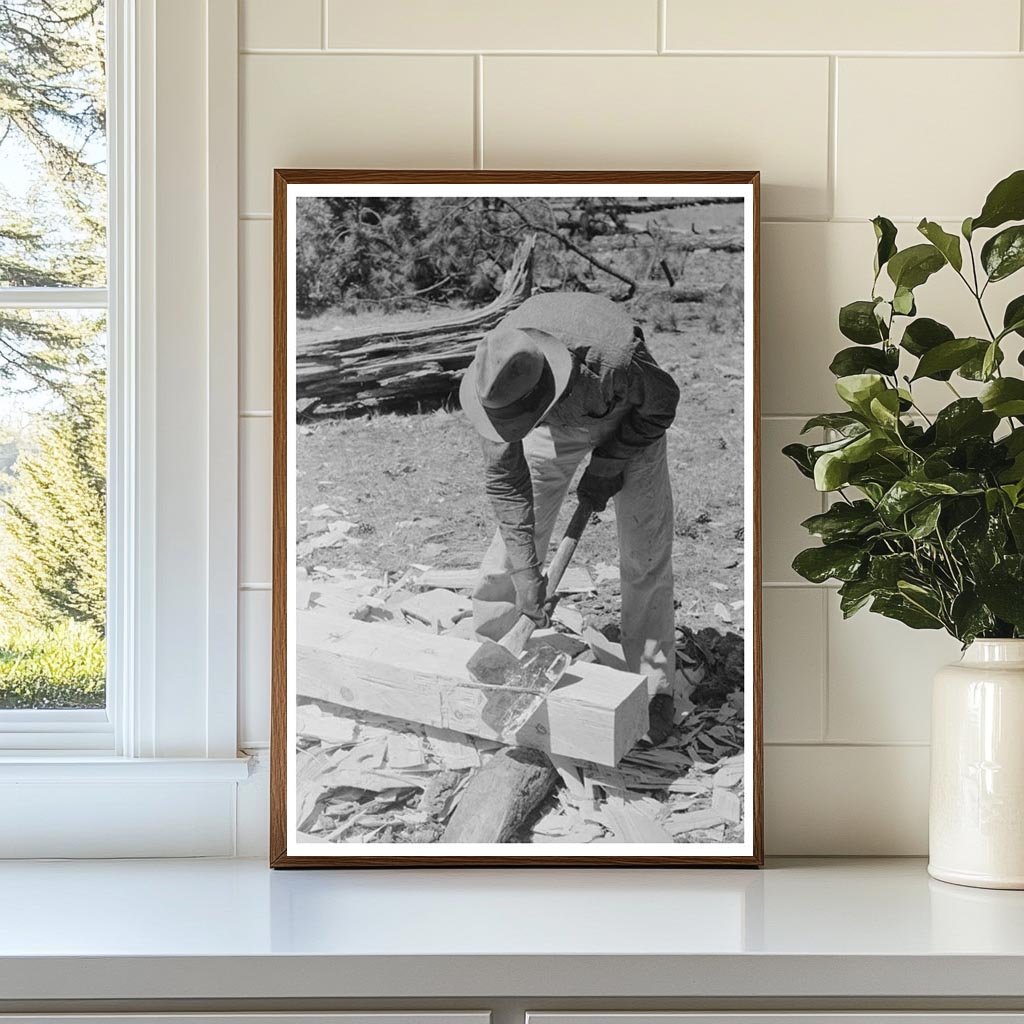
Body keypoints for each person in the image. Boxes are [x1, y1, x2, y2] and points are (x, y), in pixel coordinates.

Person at [459, 291, 681, 743]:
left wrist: (610, 460)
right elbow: (506, 484)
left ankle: (653, 684)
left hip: (628, 417)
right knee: (514, 546)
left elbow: (662, 403)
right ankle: (497, 642)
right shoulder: (495, 379)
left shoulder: (613, 358)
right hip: (551, 426)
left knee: (646, 550)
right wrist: (528, 574)